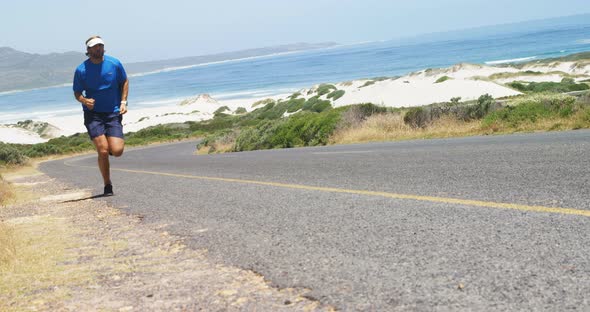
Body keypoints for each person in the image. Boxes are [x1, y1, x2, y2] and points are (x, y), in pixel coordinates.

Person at [73, 35, 129, 196]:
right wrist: (84, 100)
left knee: (117, 151)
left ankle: (110, 147)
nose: (98, 48)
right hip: (93, 115)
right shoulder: (81, 70)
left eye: (100, 46)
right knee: (103, 151)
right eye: (95, 46)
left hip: (113, 112)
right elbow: (77, 92)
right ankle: (107, 184)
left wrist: (123, 102)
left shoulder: (114, 63)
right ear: (88, 50)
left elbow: (124, 81)